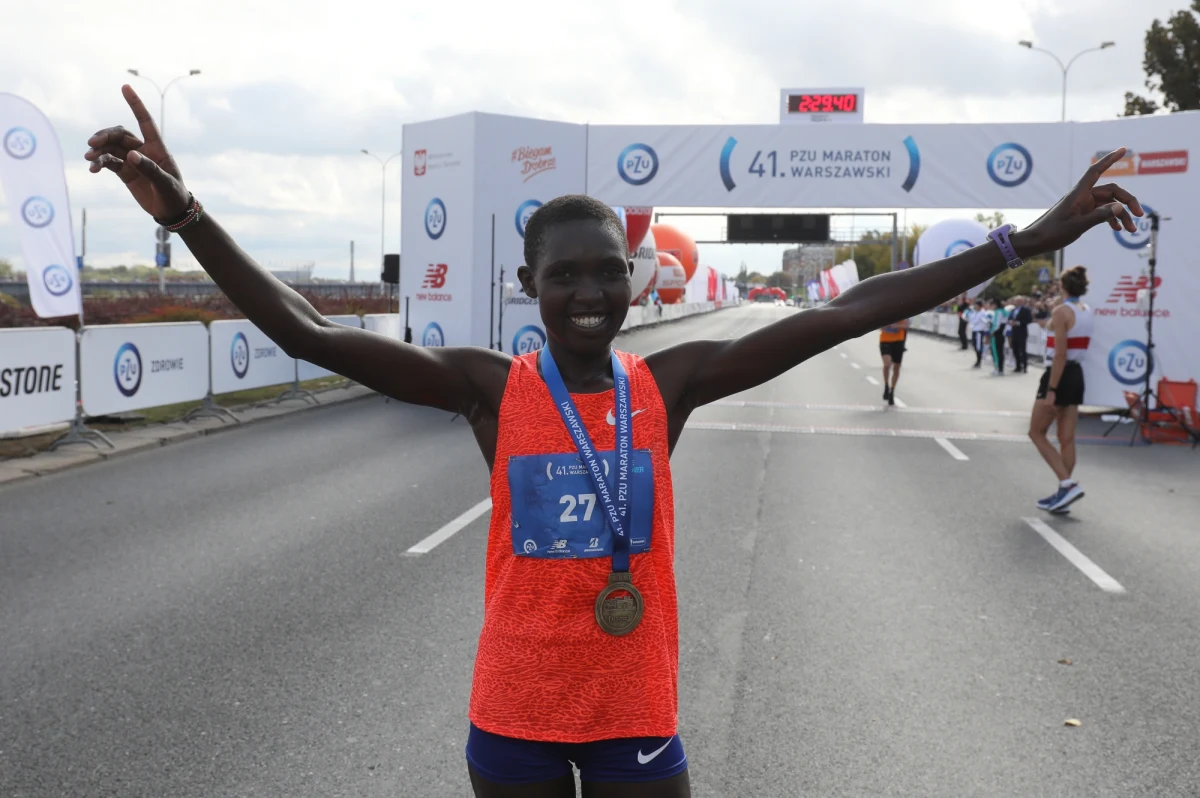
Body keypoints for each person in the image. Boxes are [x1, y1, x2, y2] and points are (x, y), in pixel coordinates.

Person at [87, 85, 1141, 798]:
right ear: (529, 287)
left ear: (635, 284)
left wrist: (1024, 239)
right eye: (566, 275)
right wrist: (187, 215)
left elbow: (848, 312)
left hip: (635, 709)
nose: (590, 292)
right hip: (513, 718)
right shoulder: (488, 390)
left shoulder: (666, 386)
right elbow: (309, 331)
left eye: (606, 273)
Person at [1029, 267, 1094, 514]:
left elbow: (1060, 354)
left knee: (1036, 432)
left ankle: (1067, 484)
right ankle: (1064, 492)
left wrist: (1052, 389)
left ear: (1061, 286)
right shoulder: (1086, 310)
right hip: (1077, 373)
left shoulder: (1061, 312)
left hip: (1060, 374)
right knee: (1067, 438)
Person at [878, 317, 909, 406]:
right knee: (887, 364)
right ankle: (886, 385)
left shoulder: (904, 311)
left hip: (898, 341)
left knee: (896, 368)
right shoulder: (884, 313)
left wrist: (896, 325)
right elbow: (879, 326)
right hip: (885, 340)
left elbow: (906, 325)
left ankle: (892, 390)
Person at [1008, 295, 1033, 373]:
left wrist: (1018, 323)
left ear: (1023, 301)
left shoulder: (1026, 310)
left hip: (1022, 332)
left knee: (1022, 350)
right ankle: (1018, 366)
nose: (1018, 302)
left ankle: (1025, 367)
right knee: (1015, 349)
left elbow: (1029, 320)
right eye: (1017, 301)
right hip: (1014, 332)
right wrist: (1010, 322)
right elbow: (1009, 318)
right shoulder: (1013, 310)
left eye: (1020, 301)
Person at [988, 298, 1009, 376]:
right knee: (1000, 351)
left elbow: (996, 324)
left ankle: (997, 368)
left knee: (995, 351)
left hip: (996, 333)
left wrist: (992, 332)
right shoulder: (1005, 311)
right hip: (1002, 333)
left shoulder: (998, 312)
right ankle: (1000, 368)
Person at [968, 299, 991, 369]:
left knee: (978, 346)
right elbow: (971, 320)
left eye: (976, 305)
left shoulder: (983, 313)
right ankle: (978, 360)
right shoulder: (974, 312)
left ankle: (979, 361)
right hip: (974, 330)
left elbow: (984, 321)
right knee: (975, 345)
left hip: (979, 331)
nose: (975, 306)